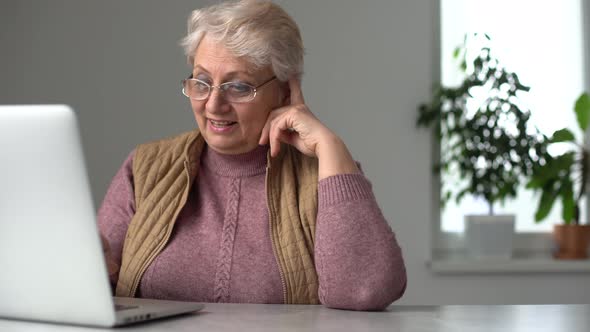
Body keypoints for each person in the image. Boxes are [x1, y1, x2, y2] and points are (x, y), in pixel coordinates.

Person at [98, 0, 406, 311]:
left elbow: (364, 291)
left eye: (239, 87)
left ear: (285, 92)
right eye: (202, 82)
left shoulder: (321, 175)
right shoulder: (146, 167)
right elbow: (97, 288)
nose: (213, 105)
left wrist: (330, 147)